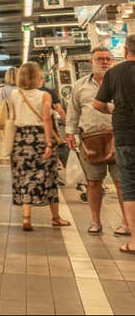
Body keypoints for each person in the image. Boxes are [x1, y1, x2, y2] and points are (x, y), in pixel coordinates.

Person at [66, 47, 129, 236]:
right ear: (91, 62)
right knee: (93, 182)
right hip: (91, 140)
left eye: (108, 58)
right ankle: (95, 221)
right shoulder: (80, 85)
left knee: (121, 182)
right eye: (100, 59)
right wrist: (70, 133)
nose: (105, 62)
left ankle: (126, 222)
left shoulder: (121, 82)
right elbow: (73, 110)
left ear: (114, 61)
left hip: (118, 137)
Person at [10, 62, 70, 231]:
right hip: (40, 137)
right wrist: (49, 144)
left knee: (25, 176)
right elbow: (46, 119)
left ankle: (26, 218)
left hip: (20, 138)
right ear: (37, 76)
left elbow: (13, 117)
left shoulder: (15, 94)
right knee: (49, 176)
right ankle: (56, 217)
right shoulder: (44, 95)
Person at [94, 34, 135, 254]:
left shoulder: (114, 73)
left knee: (129, 187)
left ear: (125, 50)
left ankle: (134, 240)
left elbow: (98, 104)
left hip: (126, 136)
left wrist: (114, 109)